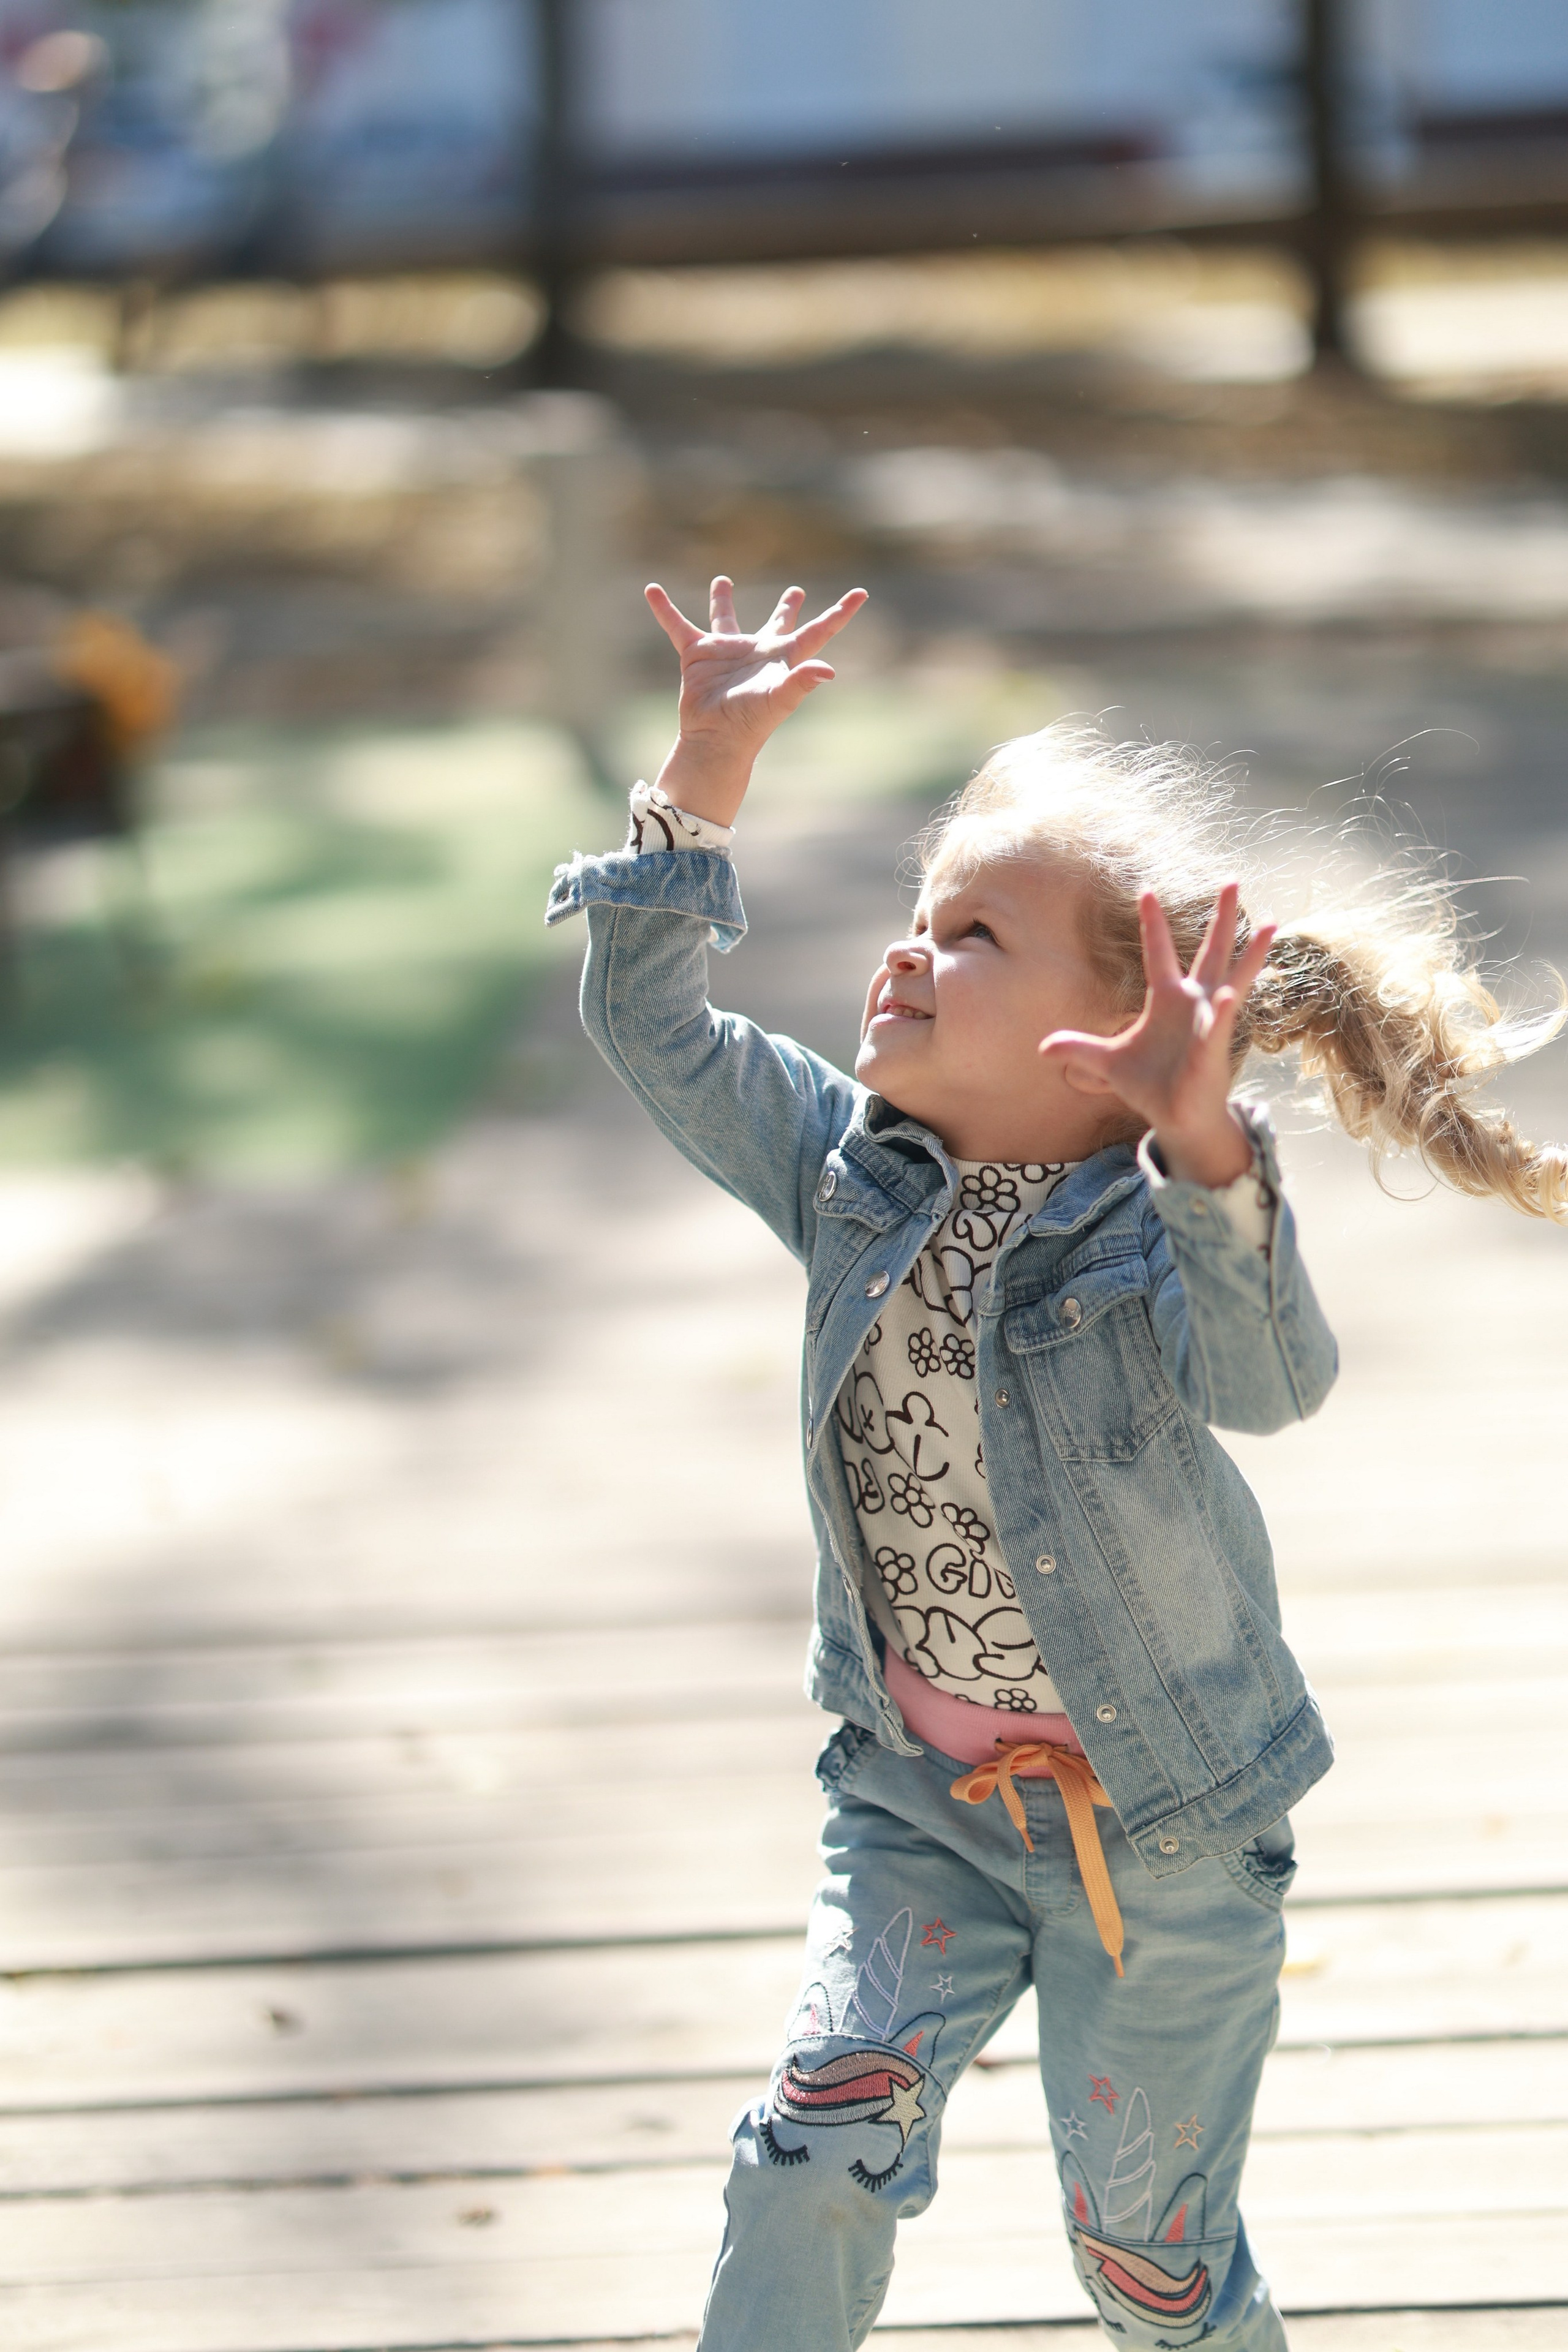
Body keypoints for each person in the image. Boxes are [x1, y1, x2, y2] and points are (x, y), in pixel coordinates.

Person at [545, 577, 1567, 2351]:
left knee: (1148, 2271)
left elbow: (1272, 1384)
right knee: (808, 2150)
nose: (905, 956)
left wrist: (1204, 1151)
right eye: (919, 920)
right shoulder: (840, 1165)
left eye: (971, 942)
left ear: (1114, 1051)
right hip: (914, 1808)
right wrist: (702, 772)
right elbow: (656, 1026)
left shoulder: (1156, 1217)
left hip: (1166, 1827)